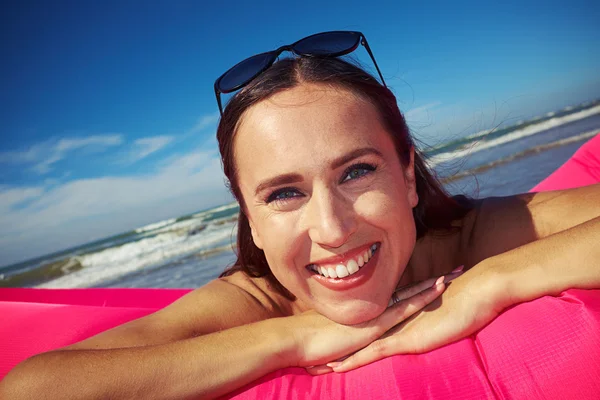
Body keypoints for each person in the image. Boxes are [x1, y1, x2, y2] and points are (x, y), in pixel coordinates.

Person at [2, 31, 599, 400]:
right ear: (251, 220)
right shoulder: (252, 301)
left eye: (357, 172)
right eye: (284, 193)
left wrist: (487, 283)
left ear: (407, 176)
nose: (333, 230)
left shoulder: (470, 236)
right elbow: (34, 389)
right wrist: (299, 335)